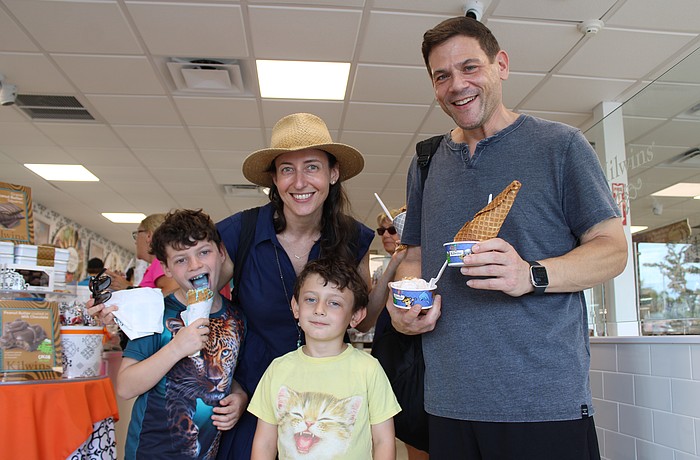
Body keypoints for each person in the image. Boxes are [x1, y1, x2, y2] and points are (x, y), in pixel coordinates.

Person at [387, 17, 628, 459]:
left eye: (470, 67)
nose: (456, 85)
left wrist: (530, 274)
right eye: (442, 76)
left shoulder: (561, 147)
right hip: (448, 401)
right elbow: (415, 255)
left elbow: (612, 250)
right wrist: (404, 306)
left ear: (501, 65)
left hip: (542, 404)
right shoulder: (426, 162)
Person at [214, 112, 384, 459]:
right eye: (287, 169)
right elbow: (198, 302)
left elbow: (362, 319)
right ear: (274, 180)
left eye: (312, 167)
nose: (300, 181)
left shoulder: (354, 238)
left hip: (325, 408)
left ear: (333, 174)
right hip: (251, 399)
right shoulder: (240, 233)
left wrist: (395, 266)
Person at [117, 209, 247, 459]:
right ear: (166, 268)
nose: (195, 265)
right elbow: (125, 386)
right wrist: (177, 348)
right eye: (181, 260)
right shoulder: (156, 312)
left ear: (221, 253)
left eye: (204, 252)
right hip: (150, 452)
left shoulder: (236, 318)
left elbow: (224, 369)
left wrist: (239, 396)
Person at [248, 258, 400, 459]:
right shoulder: (278, 369)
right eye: (311, 299)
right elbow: (265, 443)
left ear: (355, 316)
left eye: (334, 303)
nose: (319, 309)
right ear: (295, 307)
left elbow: (383, 441)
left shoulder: (368, 369)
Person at [105, 213, 180, 295]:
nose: (136, 241)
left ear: (149, 236)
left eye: (137, 234)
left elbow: (172, 291)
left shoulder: (159, 261)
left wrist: (128, 287)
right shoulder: (156, 264)